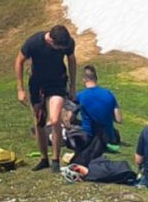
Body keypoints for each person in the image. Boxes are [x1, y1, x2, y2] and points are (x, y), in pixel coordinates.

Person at [15, 24, 77, 169]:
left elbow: (72, 60)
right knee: (40, 122)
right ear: (51, 41)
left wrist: (73, 86)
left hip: (57, 82)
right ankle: (44, 159)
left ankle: (55, 160)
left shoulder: (67, 42)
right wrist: (20, 89)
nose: (62, 50)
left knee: (55, 120)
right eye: (59, 48)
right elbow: (19, 61)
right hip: (38, 85)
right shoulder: (34, 42)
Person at [74, 65, 123, 147]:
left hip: (89, 138)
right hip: (109, 138)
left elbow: (69, 118)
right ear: (96, 79)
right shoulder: (109, 94)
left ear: (84, 79)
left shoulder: (81, 96)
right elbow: (119, 119)